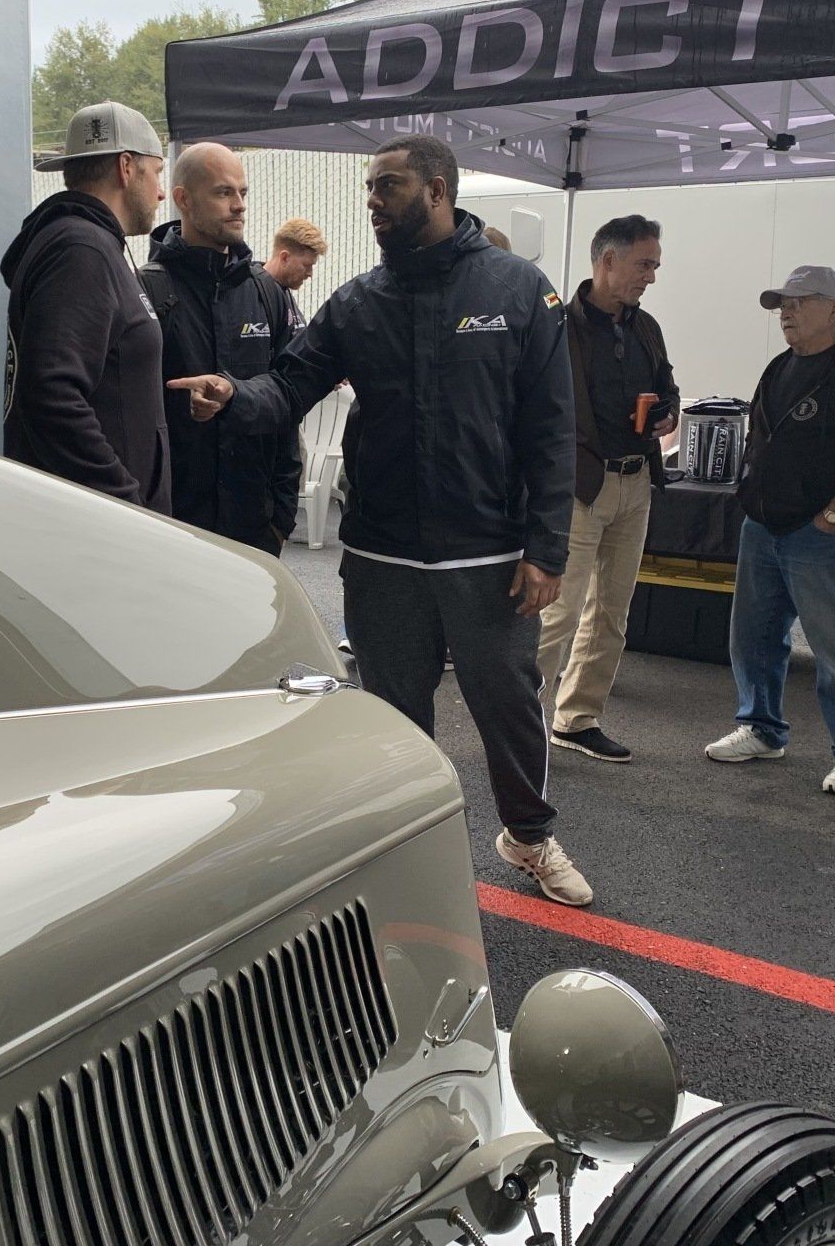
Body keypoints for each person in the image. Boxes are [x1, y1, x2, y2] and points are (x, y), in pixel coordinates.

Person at [170, 134, 592, 906]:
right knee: (397, 724)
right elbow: (289, 383)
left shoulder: (518, 290)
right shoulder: (359, 302)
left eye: (386, 187)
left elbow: (551, 429)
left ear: (436, 191)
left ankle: (528, 837)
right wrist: (235, 395)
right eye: (370, 188)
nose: (372, 201)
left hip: (488, 554)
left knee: (507, 706)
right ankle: (408, 850)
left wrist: (547, 548)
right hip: (384, 556)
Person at [705, 266, 835, 795]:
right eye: (781, 304)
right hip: (765, 527)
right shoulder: (780, 366)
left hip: (826, 534)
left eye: (798, 302)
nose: (785, 313)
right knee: (753, 636)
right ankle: (762, 729)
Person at [536, 216, 680, 763]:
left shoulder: (647, 329)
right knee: (558, 612)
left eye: (655, 266)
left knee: (611, 614)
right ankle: (520, 720)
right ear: (608, 261)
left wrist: (666, 413)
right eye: (644, 265)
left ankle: (577, 718)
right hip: (578, 487)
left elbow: (666, 386)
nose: (651, 277)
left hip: (635, 480)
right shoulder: (556, 326)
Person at [2, 101, 170, 511]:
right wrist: (122, 501)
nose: (161, 191)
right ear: (126, 167)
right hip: (100, 530)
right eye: (157, 173)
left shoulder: (87, 244)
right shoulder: (81, 250)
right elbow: (51, 394)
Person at [144, 143, 300, 553]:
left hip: (256, 527)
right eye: (222, 192)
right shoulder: (145, 289)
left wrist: (281, 517)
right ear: (183, 199)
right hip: (172, 525)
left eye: (242, 193)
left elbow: (289, 401)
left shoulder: (268, 293)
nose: (238, 206)